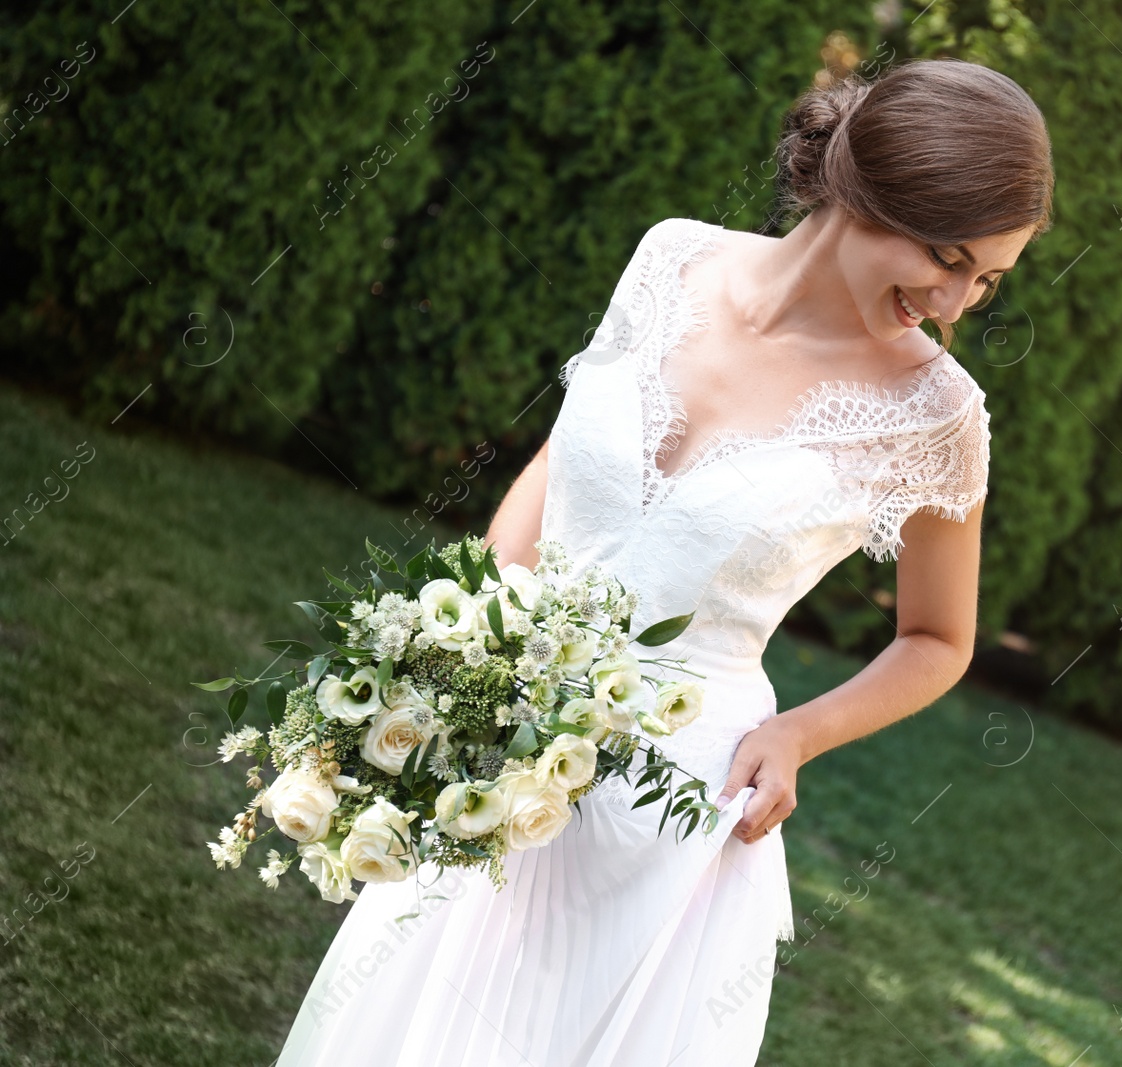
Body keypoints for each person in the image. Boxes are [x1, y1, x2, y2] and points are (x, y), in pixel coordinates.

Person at [273, 55, 1053, 1067]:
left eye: (986, 281)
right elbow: (559, 463)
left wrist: (799, 735)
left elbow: (938, 637)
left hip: (666, 809)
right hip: (494, 735)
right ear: (868, 189)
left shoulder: (936, 418)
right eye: (947, 257)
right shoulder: (670, 258)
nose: (954, 304)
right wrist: (452, 646)